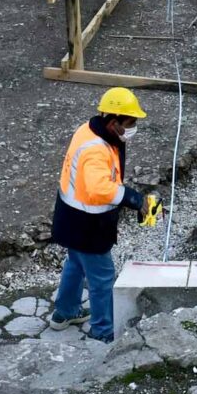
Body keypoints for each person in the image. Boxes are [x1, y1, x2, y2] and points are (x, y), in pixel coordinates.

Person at [50, 88, 155, 342]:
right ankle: (104, 333)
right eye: (130, 123)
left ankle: (64, 313)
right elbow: (99, 189)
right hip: (88, 223)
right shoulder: (96, 149)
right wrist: (136, 199)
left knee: (75, 264)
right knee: (102, 278)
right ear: (113, 122)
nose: (133, 128)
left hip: (70, 216)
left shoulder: (90, 129)